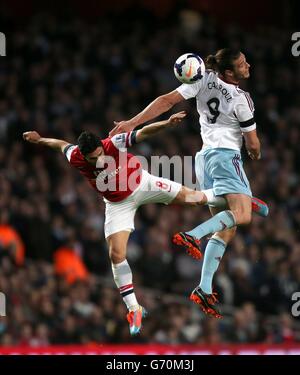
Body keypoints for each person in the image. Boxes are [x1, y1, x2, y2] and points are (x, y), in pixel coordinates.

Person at [24, 110, 267, 333]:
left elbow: (143, 132)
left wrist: (167, 123)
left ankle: (239, 199)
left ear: (101, 146)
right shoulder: (76, 156)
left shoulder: (112, 144)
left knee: (195, 199)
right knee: (116, 254)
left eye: (99, 155)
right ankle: (134, 309)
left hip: (143, 183)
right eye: (93, 159)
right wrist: (39, 139)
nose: (98, 161)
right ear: (83, 155)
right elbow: (60, 145)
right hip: (118, 203)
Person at [110, 48, 265, 318]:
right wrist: (255, 153)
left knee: (227, 230)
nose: (248, 65)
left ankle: (204, 288)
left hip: (203, 160)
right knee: (241, 216)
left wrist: (132, 123)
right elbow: (252, 144)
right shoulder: (242, 100)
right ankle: (194, 234)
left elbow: (166, 100)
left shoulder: (202, 79)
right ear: (230, 72)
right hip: (227, 157)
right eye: (242, 64)